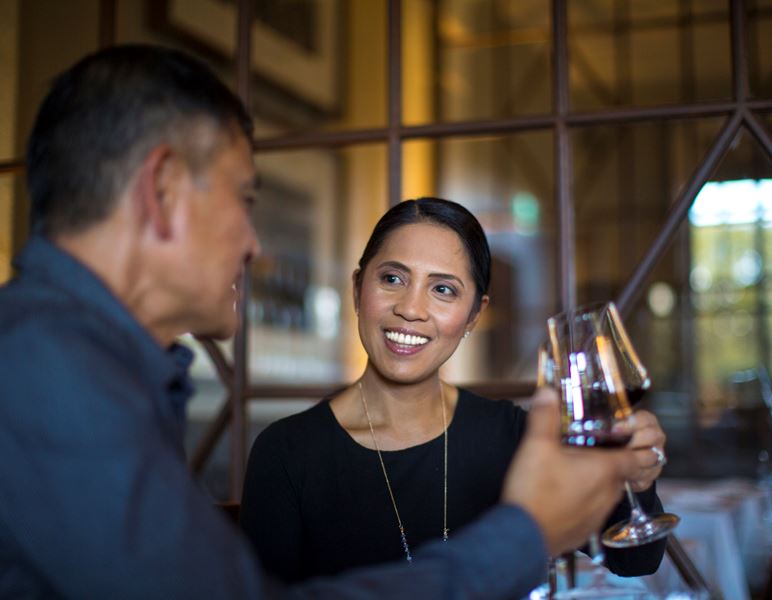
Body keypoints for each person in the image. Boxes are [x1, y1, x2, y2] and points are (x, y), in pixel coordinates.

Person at [0, 43, 644, 599]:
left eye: (444, 290)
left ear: (475, 313)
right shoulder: (45, 373)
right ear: (163, 190)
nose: (253, 243)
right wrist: (525, 536)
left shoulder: (75, 362)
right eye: (244, 199)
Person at [240, 198, 669, 583]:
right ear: (357, 289)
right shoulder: (287, 452)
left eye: (443, 289)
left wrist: (638, 480)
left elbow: (635, 559)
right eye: (392, 278)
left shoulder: (516, 437)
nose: (411, 309)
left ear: (473, 316)